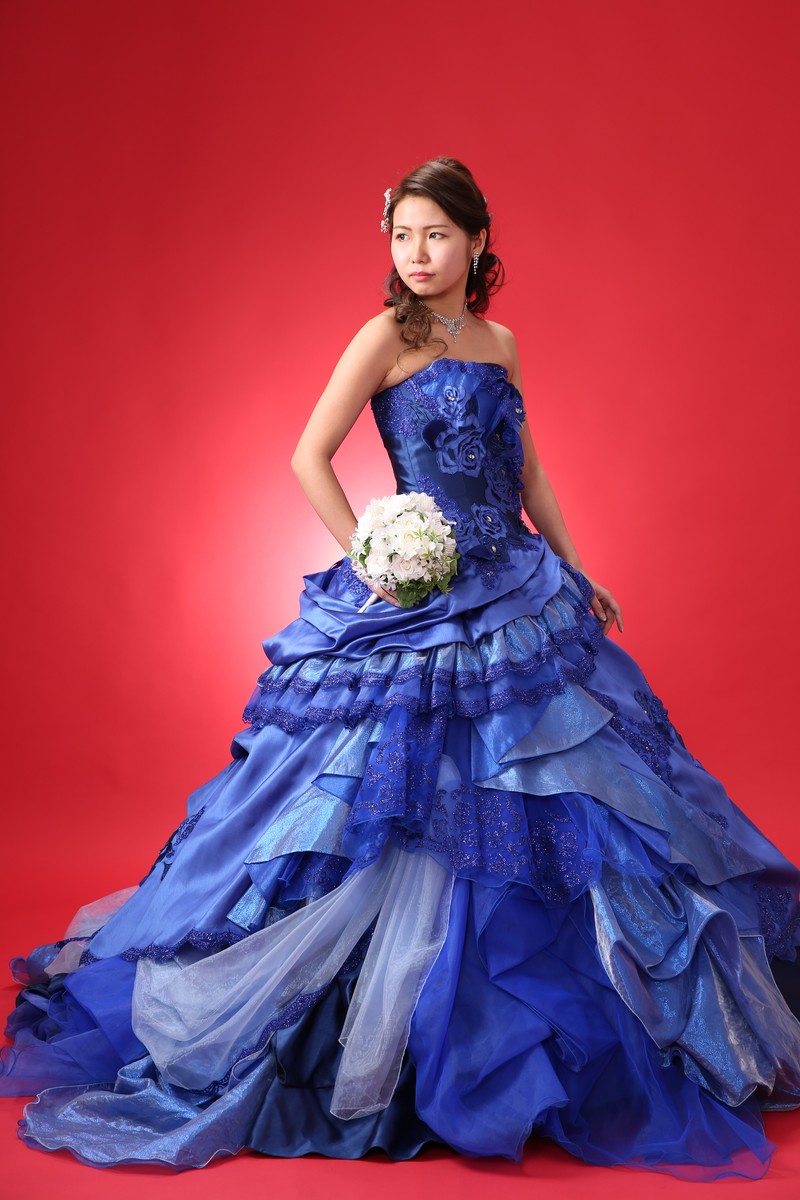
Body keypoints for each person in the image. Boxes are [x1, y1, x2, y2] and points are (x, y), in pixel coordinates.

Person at [2, 157, 799, 1179]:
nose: (416, 254)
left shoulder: (501, 343)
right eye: (401, 235)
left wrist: (572, 565)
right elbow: (309, 453)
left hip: (515, 590)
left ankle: (556, 1033)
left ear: (477, 240)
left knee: (568, 793)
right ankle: (376, 1039)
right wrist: (372, 555)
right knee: (392, 806)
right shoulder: (385, 335)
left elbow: (526, 471)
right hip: (421, 595)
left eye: (435, 234)